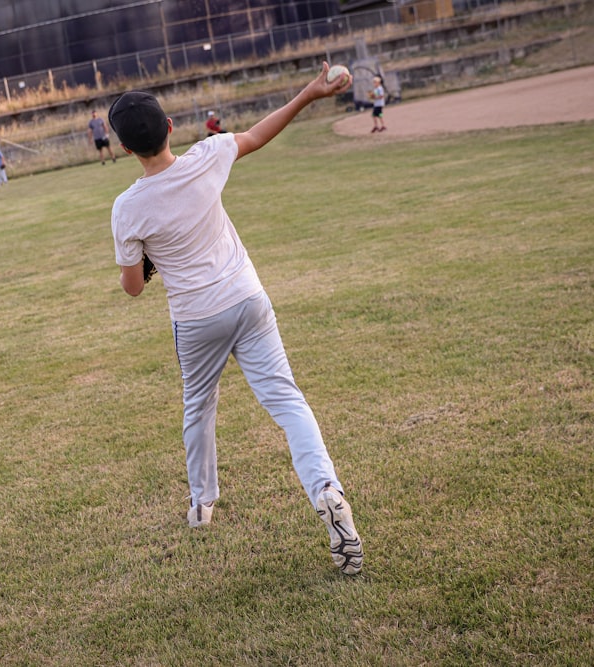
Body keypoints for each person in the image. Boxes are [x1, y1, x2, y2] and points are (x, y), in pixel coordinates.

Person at [108, 62, 364, 575]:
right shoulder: (209, 155)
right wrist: (311, 93)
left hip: (196, 318)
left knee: (198, 409)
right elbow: (257, 134)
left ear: (124, 148)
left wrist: (152, 261)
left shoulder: (127, 207)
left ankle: (202, 505)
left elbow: (133, 286)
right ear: (172, 128)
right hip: (247, 298)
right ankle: (327, 490)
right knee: (287, 400)